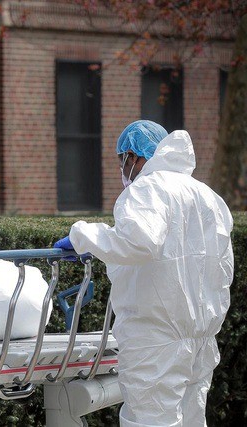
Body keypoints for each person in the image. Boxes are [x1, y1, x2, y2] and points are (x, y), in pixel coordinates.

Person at [54, 120, 234, 427]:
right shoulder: (207, 195)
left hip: (156, 339)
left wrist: (83, 236)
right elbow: (221, 265)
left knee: (150, 421)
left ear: (134, 156)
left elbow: (138, 242)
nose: (122, 168)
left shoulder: (148, 189)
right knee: (192, 419)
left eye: (122, 159)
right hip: (201, 336)